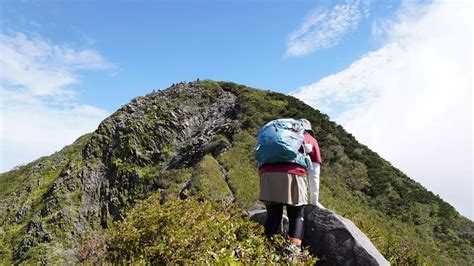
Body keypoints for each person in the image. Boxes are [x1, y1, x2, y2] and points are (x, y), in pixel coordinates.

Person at [258, 118, 322, 253]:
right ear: (308, 130)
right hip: (293, 173)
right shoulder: (309, 138)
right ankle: (293, 251)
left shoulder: (277, 135)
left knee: (273, 215)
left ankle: (265, 249)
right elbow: (314, 174)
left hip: (266, 173)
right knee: (296, 214)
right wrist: (314, 201)